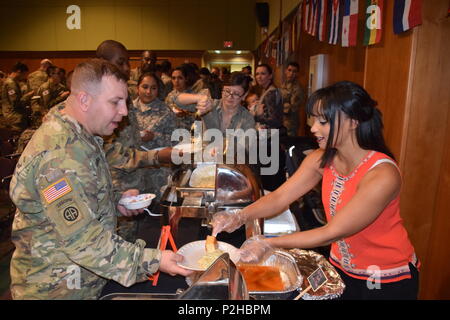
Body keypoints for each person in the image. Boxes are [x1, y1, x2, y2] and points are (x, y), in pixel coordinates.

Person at [212, 81, 419, 300]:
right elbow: (281, 197)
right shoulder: (321, 158)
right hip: (341, 266)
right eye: (313, 120)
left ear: (353, 122)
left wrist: (267, 243)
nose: (313, 128)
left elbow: (332, 232)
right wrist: (238, 216)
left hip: (384, 276)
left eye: (323, 121)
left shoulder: (382, 174)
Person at [8, 59, 192, 300]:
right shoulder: (58, 155)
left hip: (80, 280)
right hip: (57, 288)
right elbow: (83, 242)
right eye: (115, 102)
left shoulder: (80, 135)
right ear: (84, 100)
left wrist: (114, 200)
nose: (124, 111)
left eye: (124, 102)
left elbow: (74, 197)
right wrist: (154, 260)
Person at [111, 72, 176, 205]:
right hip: (130, 171)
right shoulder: (127, 109)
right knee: (133, 205)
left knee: (157, 208)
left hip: (157, 171)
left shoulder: (165, 111)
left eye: (153, 88)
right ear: (137, 88)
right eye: (145, 87)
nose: (148, 91)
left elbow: (176, 139)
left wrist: (155, 137)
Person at [252, 63, 286, 191]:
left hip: (270, 142)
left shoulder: (271, 93)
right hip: (267, 140)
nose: (259, 77)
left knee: (270, 180)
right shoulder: (266, 91)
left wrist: (256, 116)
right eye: (257, 74)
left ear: (270, 76)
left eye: (263, 73)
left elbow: (276, 121)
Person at [1, 62, 34, 132]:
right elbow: (16, 103)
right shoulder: (11, 84)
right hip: (14, 117)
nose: (24, 76)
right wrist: (27, 96)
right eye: (24, 74)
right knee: (17, 137)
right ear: (19, 71)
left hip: (13, 115)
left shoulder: (12, 82)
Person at [280, 62, 305, 137]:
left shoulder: (297, 88)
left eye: (294, 71)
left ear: (297, 73)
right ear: (285, 71)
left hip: (290, 122)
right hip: (281, 119)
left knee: (289, 143)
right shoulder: (284, 84)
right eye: (289, 70)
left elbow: (292, 107)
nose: (291, 73)